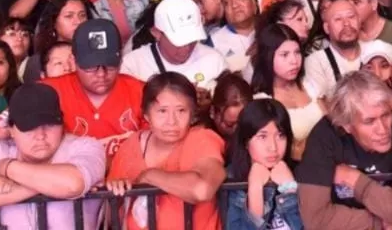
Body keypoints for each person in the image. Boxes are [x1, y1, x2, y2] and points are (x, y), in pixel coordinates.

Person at [296, 71, 392, 230]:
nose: (383, 129)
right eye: (369, 121)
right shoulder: (325, 136)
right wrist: (379, 223)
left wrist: (354, 179)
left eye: (386, 115)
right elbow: (316, 219)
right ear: (346, 125)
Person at [0, 83, 107, 230]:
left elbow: (73, 184)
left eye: (50, 125)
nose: (40, 135)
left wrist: (9, 168)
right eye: (29, 127)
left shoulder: (86, 147)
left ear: (62, 124)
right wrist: (54, 185)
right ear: (11, 130)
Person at [106, 73, 226, 230]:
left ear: (192, 115)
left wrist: (149, 176)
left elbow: (202, 189)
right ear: (146, 115)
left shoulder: (202, 139)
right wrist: (116, 192)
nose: (171, 121)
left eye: (181, 111)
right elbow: (109, 217)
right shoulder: (131, 145)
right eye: (162, 111)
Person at [42, 18, 145, 156]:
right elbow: (7, 130)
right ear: (73, 61)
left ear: (121, 59)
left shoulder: (141, 91)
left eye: (110, 65)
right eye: (91, 67)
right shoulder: (48, 91)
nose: (101, 74)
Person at [222, 98, 304, 230]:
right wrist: (255, 190)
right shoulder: (231, 180)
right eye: (262, 136)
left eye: (280, 136)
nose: (273, 147)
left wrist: (289, 189)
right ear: (246, 141)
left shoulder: (301, 173)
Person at [121, 0, 227, 92]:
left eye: (192, 40)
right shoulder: (133, 65)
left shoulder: (214, 60)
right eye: (179, 41)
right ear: (156, 33)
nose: (186, 48)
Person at [250, 24, 324, 160]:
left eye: (297, 53)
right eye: (284, 55)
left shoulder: (311, 86)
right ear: (268, 57)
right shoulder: (261, 101)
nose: (294, 61)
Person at [302, 0, 363, 99]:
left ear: (359, 21)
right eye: (338, 19)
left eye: (351, 17)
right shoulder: (316, 61)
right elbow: (322, 104)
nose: (346, 23)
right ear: (326, 28)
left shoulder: (374, 51)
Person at [211, 0, 260, 74]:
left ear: (254, 2)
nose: (234, 5)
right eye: (227, 3)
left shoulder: (271, 30)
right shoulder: (214, 42)